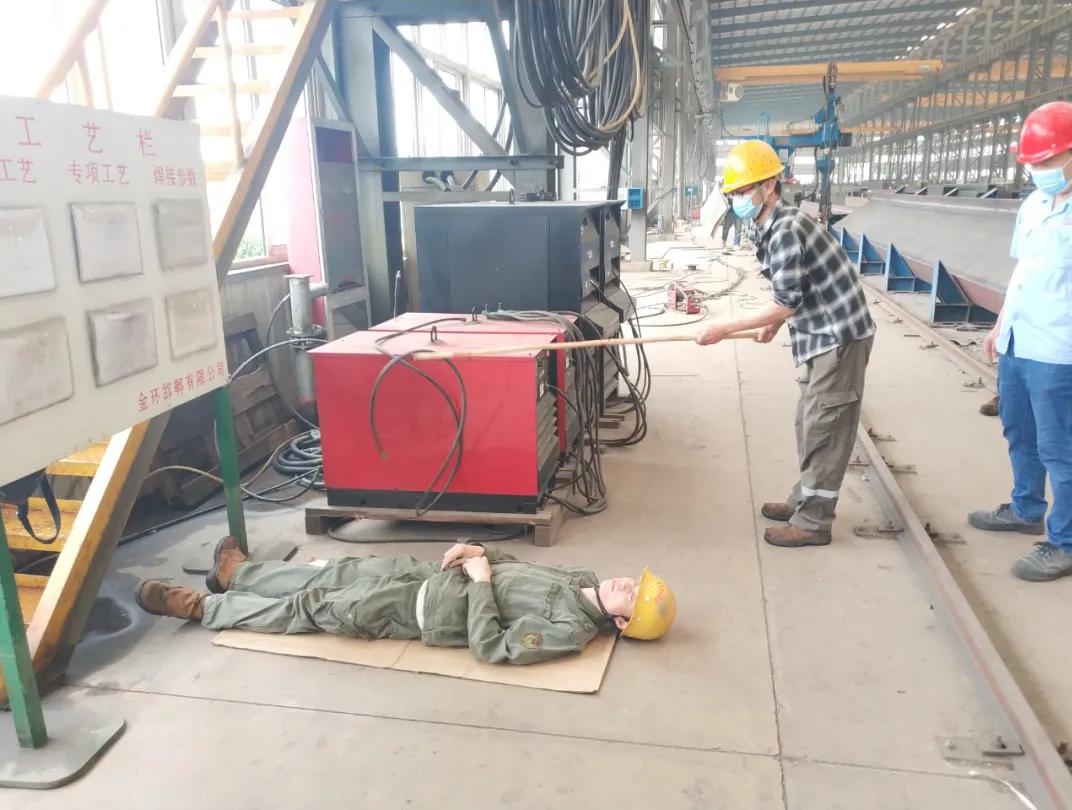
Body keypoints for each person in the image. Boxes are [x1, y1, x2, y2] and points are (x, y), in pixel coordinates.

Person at [697, 139, 876, 548]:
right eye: (734, 193)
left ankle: (813, 522)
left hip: (838, 337)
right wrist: (776, 325)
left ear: (769, 186)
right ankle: (804, 500)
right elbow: (794, 290)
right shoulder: (769, 225)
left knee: (825, 428)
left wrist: (725, 328)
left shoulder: (787, 229)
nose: (738, 199)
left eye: (744, 191)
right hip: (818, 334)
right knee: (809, 423)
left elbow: (786, 301)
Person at [135, 537, 676, 665]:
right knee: (338, 570)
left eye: (632, 595)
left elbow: (490, 646)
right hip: (427, 575)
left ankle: (201, 607)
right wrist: (480, 552)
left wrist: (481, 582)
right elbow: (512, 564)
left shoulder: (568, 632)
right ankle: (240, 575)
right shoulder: (582, 577)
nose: (627, 582)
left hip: (420, 610)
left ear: (621, 624)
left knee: (316, 605)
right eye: (636, 580)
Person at [968, 101, 1072, 582]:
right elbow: (1023, 271)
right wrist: (1000, 325)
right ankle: (1025, 508)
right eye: (1033, 163)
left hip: (1060, 350)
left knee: (1062, 449)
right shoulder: (1033, 205)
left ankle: (1068, 543)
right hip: (1018, 341)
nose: (1039, 171)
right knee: (1019, 432)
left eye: (1048, 160)